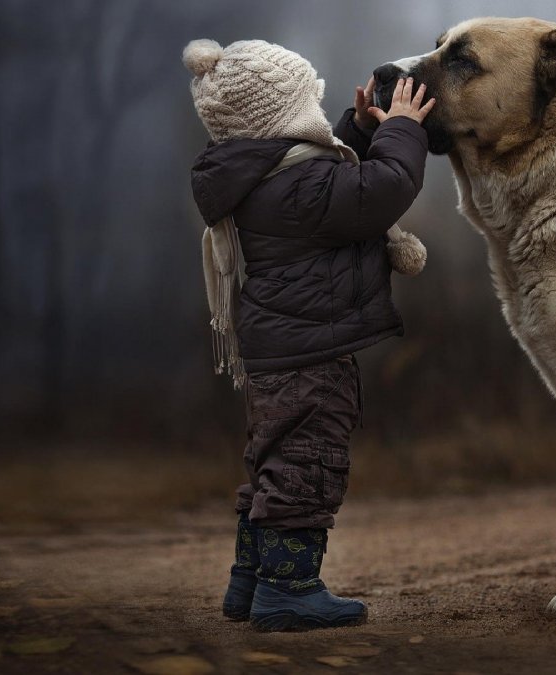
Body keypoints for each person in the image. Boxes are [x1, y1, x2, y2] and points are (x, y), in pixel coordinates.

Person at [182, 38, 435, 631]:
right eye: (309, 104)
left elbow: (332, 180)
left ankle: (250, 582)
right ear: (285, 116)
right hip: (310, 354)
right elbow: (382, 188)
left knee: (274, 463)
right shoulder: (298, 188)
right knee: (306, 466)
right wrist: (403, 129)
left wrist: (361, 130)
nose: (317, 114)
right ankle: (289, 591)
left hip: (280, 349)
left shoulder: (265, 176)